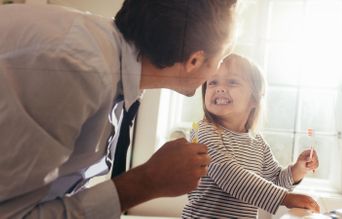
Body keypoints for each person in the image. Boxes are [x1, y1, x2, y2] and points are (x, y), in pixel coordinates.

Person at [0, 0, 237, 218]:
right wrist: (146, 182)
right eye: (222, 56)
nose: (218, 72)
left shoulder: (110, 68)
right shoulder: (79, 70)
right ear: (194, 61)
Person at [181, 54, 320, 218]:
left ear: (254, 99)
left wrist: (298, 170)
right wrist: (285, 198)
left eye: (232, 82)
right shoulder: (202, 131)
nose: (219, 88)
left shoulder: (258, 144)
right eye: (213, 82)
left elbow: (275, 182)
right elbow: (229, 175)